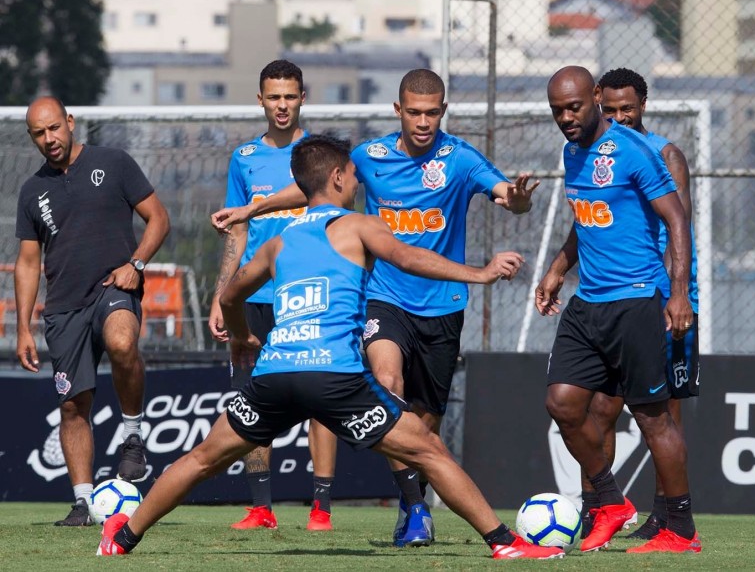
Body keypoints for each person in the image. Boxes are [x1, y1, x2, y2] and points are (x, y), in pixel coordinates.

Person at [97, 134, 563, 561]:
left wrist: (241, 335)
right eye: (354, 174)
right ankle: (504, 544)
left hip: (274, 376)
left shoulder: (279, 242)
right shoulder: (357, 226)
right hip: (335, 377)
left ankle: (121, 539)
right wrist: (478, 273)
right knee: (429, 450)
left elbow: (230, 295)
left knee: (202, 459)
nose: (358, 180)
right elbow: (408, 257)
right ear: (338, 177)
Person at [210, 68, 539, 546]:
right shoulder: (370, 156)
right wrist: (250, 209)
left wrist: (521, 200)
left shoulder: (461, 159)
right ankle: (415, 509)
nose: (422, 122)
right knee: (387, 382)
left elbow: (508, 194)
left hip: (442, 304)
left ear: (442, 112)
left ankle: (414, 504)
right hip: (383, 296)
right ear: (397, 111)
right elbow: (313, 187)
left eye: (431, 113)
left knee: (424, 424)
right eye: (414, 112)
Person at [535, 66, 701, 554]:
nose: (566, 117)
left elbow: (676, 219)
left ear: (594, 99)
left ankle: (681, 529)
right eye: (557, 110)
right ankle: (610, 501)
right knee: (562, 403)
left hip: (636, 300)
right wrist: (557, 269)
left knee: (652, 419)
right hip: (589, 303)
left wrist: (678, 293)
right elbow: (585, 219)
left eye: (574, 107)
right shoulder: (572, 152)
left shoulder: (634, 151)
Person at [15, 97, 170, 526]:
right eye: (39, 134)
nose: (49, 139)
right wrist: (23, 328)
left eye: (54, 128)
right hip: (63, 308)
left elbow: (158, 217)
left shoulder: (114, 162)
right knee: (72, 407)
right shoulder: (32, 191)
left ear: (70, 122)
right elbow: (29, 262)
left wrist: (136, 264)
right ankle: (83, 503)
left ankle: (134, 438)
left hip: (112, 287)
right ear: (32, 138)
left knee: (123, 342)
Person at [207, 59, 338, 531]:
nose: (281, 105)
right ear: (260, 99)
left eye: (290, 96)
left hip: (307, 292)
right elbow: (237, 229)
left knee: (321, 396)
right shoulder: (243, 158)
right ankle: (261, 508)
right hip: (256, 296)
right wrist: (223, 295)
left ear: (303, 98)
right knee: (250, 399)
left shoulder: (322, 156)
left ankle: (321, 507)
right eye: (273, 96)